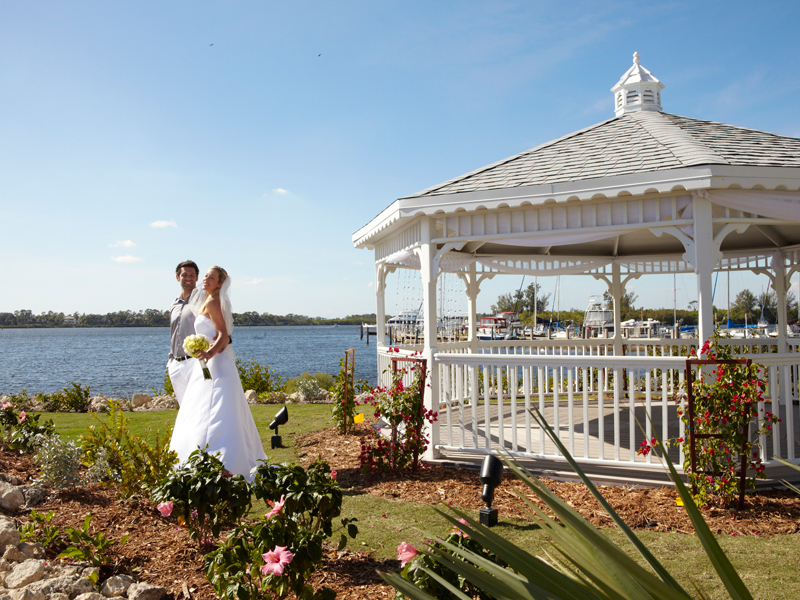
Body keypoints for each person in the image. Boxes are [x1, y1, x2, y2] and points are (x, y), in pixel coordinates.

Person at [169, 266, 267, 480]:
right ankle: (201, 457)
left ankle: (220, 460)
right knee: (202, 410)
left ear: (220, 284)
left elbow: (223, 335)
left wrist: (209, 353)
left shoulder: (213, 302)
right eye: (205, 276)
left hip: (216, 365)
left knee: (218, 413)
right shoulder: (206, 300)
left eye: (211, 277)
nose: (205, 279)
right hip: (207, 366)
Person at [168, 260, 205, 406]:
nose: (188, 278)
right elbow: (173, 333)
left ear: (197, 278)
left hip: (194, 362)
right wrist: (171, 361)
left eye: (192, 275)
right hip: (175, 365)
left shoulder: (203, 301)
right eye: (184, 275)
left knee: (198, 406)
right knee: (184, 409)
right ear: (178, 277)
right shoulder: (174, 304)